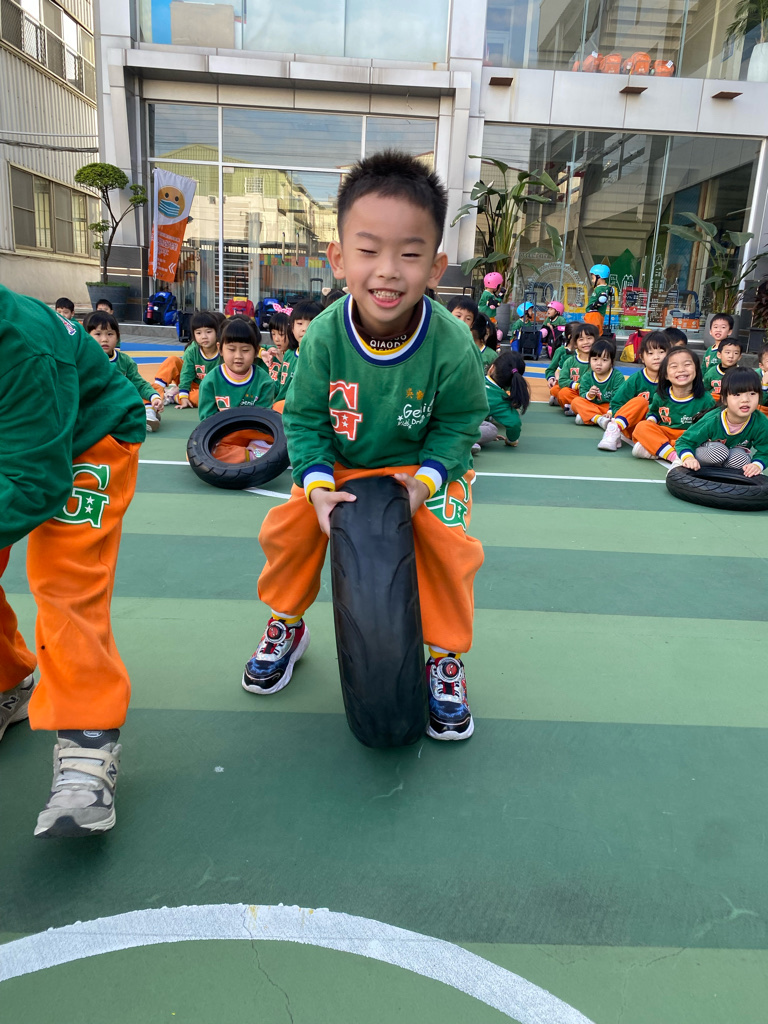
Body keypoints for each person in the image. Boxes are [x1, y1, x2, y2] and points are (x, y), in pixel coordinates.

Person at [245, 150, 488, 742]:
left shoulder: (451, 342)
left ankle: (445, 658)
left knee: (448, 545)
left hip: (418, 469)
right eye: (369, 250)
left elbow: (460, 422)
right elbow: (305, 420)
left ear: (436, 267)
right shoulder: (325, 336)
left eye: (410, 254)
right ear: (338, 259)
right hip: (343, 466)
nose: (388, 271)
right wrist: (316, 484)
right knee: (289, 530)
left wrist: (428, 480)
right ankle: (286, 622)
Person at [0, 284, 145, 837]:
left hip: (92, 432)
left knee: (66, 577)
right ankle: (7, 681)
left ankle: (89, 736)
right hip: (18, 433)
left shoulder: (20, 346)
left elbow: (35, 483)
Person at [197, 317, 278, 464]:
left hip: (254, 434)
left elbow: (263, 420)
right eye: (231, 349)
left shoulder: (264, 381)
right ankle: (250, 455)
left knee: (281, 420)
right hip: (225, 436)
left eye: (245, 350)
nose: (238, 356)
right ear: (220, 349)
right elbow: (206, 421)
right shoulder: (210, 382)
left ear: (256, 351)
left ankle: (256, 449)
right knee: (197, 452)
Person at [671, 367, 768, 476]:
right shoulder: (713, 419)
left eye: (752, 393)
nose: (745, 399)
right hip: (707, 454)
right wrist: (688, 458)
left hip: (730, 458)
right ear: (724, 399)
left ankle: (721, 476)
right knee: (719, 452)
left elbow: (766, 450)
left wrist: (757, 465)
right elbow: (684, 441)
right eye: (737, 394)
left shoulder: (760, 421)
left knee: (741, 459)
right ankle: (680, 464)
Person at [84, 311, 164, 432]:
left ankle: (149, 414)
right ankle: (142, 415)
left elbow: (139, 384)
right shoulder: (84, 360)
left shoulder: (125, 361)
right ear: (87, 337)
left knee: (151, 390)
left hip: (122, 401)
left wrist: (154, 397)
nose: (104, 339)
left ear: (118, 336)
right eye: (98, 334)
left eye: (110, 334)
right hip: (98, 405)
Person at [631, 348, 715, 462]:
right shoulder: (660, 396)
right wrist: (651, 422)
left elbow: (710, 426)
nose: (681, 370)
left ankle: (657, 450)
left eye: (687, 364)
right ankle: (674, 456)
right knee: (642, 427)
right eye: (674, 366)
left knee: (711, 446)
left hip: (690, 437)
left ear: (696, 369)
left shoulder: (706, 399)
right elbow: (654, 413)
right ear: (666, 374)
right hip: (666, 434)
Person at [597, 331, 670, 450]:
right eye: (650, 353)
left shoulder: (673, 380)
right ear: (642, 357)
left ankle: (649, 448)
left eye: (661, 352)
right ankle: (614, 430)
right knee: (641, 402)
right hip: (634, 425)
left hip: (657, 427)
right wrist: (621, 418)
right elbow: (617, 403)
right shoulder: (636, 379)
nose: (656, 357)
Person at [474, 350, 529, 451]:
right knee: (491, 429)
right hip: (456, 425)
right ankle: (465, 441)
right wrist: (511, 440)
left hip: (444, 416)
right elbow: (514, 423)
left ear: (492, 368)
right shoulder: (500, 399)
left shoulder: (475, 378)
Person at [274, 300, 322, 406]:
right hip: (279, 408)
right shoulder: (289, 354)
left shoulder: (321, 359)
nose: (304, 329)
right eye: (300, 323)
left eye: (312, 323)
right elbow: (279, 384)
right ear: (292, 327)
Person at [570, 338, 625, 426]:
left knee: (623, 410)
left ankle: (589, 417)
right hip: (592, 406)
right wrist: (589, 395)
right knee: (576, 402)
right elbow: (582, 394)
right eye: (595, 359)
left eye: (604, 360)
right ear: (589, 360)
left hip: (608, 408)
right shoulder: (587, 376)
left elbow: (618, 398)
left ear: (611, 362)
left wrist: (610, 412)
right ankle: (598, 419)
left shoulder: (617, 377)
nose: (599, 363)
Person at [174, 312, 221, 408]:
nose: (204, 336)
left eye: (209, 332)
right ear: (194, 335)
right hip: (194, 385)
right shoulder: (192, 350)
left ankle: (174, 396)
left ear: (217, 332)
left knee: (206, 398)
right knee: (172, 360)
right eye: (198, 333)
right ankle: (158, 393)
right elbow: (186, 374)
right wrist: (184, 396)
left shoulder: (223, 349)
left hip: (214, 389)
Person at [556, 322, 600, 414]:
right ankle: (582, 409)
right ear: (575, 344)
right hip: (576, 392)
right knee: (563, 393)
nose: (586, 342)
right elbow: (562, 380)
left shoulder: (599, 362)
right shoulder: (570, 361)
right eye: (581, 339)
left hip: (592, 394)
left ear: (596, 340)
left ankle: (577, 409)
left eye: (589, 338)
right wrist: (577, 385)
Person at [546, 321, 579, 405]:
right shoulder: (561, 351)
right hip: (564, 383)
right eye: (579, 336)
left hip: (578, 384)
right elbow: (551, 369)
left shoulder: (584, 352)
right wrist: (551, 378)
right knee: (555, 390)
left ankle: (563, 400)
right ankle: (565, 399)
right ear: (569, 336)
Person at [263, 310, 290, 381]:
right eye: (273, 334)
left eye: (281, 334)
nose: (276, 339)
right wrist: (261, 352)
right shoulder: (271, 351)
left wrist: (284, 361)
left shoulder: (294, 355)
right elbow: (254, 347)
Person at [584, 264, 611, 333]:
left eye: (593, 278)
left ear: (599, 277)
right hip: (597, 314)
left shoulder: (600, 289)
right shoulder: (606, 287)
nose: (592, 281)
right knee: (595, 333)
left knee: (591, 333)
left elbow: (602, 298)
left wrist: (595, 305)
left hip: (594, 314)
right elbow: (611, 290)